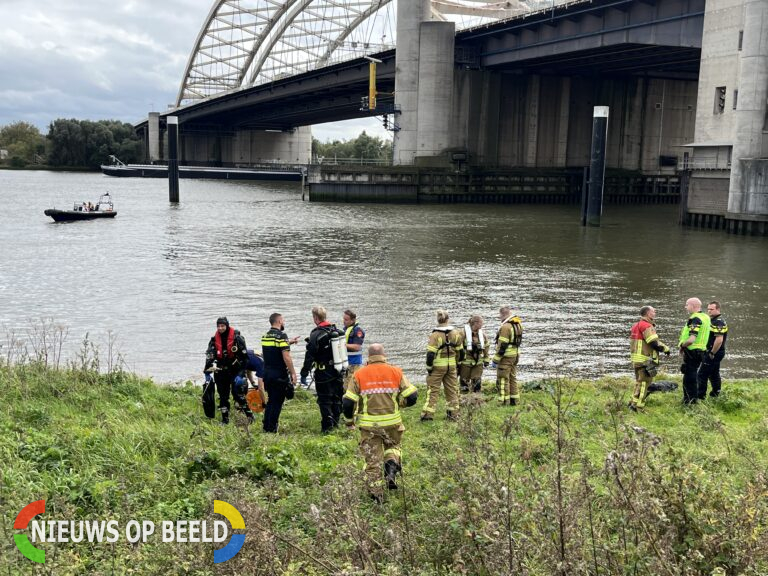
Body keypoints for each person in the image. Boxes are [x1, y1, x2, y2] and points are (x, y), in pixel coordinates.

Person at [342, 343, 418, 502]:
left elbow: (348, 402)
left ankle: (377, 496)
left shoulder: (359, 374)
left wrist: (349, 422)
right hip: (393, 423)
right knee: (393, 447)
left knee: (373, 461)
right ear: (384, 356)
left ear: (368, 358)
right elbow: (412, 396)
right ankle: (390, 468)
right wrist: (401, 404)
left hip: (369, 426)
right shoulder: (396, 371)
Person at [301, 306, 345, 433]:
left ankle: (327, 427)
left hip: (323, 372)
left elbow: (310, 355)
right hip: (337, 370)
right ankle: (336, 423)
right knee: (337, 397)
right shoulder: (335, 330)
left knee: (324, 399)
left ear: (315, 318)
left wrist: (304, 373)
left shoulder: (316, 333)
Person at [203, 317, 254, 425]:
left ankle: (250, 416)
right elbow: (209, 357)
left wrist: (241, 374)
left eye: (222, 326)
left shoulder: (237, 338)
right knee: (223, 397)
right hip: (220, 371)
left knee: (238, 395)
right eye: (218, 326)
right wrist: (207, 372)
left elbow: (245, 359)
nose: (220, 328)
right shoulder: (213, 340)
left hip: (235, 370)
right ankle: (225, 420)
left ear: (227, 326)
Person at [421, 310, 465, 422]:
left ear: (438, 320)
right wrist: (458, 363)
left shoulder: (435, 335)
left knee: (433, 390)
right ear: (448, 319)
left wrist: (429, 368)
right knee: (452, 390)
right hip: (451, 366)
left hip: (438, 367)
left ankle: (427, 415)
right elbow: (461, 352)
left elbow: (430, 354)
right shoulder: (455, 333)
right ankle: (453, 414)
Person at [261, 313, 299, 433]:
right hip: (279, 374)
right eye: (283, 320)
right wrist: (293, 373)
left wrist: (289, 342)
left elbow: (274, 348)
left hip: (267, 374)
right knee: (277, 402)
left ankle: (266, 426)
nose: (284, 322)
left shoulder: (265, 336)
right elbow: (286, 357)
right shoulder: (281, 336)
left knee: (271, 400)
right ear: (279, 321)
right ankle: (272, 428)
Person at [629, 306, 671, 411]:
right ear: (648, 313)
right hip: (645, 360)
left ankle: (633, 403)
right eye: (653, 311)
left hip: (637, 359)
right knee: (644, 383)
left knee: (639, 382)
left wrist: (663, 346)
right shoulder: (647, 326)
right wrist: (665, 349)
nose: (655, 312)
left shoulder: (636, 325)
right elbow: (653, 342)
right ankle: (638, 407)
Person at [678, 297, 711, 405]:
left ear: (693, 306)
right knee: (694, 374)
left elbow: (692, 339)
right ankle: (693, 398)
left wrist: (683, 345)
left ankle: (690, 400)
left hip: (692, 351)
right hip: (701, 350)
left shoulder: (695, 319)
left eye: (687, 305)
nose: (685, 307)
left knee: (689, 376)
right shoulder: (706, 317)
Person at [493, 306, 524, 406]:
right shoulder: (518, 323)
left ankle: (503, 402)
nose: (499, 318)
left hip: (506, 357)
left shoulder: (506, 327)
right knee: (512, 378)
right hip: (515, 355)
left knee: (502, 379)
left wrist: (496, 359)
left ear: (503, 314)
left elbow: (502, 345)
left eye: (500, 315)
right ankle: (514, 400)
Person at [697, 300, 728, 398]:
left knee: (702, 374)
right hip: (715, 351)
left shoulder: (718, 322)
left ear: (718, 309)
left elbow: (719, 340)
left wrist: (712, 353)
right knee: (714, 373)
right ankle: (715, 394)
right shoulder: (713, 320)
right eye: (708, 309)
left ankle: (700, 396)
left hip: (715, 351)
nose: (709, 311)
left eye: (712, 309)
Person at [342, 309, 366, 428]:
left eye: (346, 319)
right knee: (349, 389)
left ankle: (354, 414)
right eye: (344, 319)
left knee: (350, 390)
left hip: (354, 365)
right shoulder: (345, 330)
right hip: (346, 365)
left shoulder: (358, 331)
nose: (344, 321)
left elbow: (357, 346)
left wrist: (342, 345)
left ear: (353, 320)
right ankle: (356, 412)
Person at [459, 315, 490, 393]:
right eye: (481, 323)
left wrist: (486, 359)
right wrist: (457, 361)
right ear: (475, 323)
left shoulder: (482, 334)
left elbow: (486, 346)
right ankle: (464, 399)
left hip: (478, 362)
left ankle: (476, 399)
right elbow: (457, 347)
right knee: (464, 382)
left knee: (477, 382)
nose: (482, 325)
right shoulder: (463, 333)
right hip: (465, 362)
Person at [244, 348, 266, 414]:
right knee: (242, 384)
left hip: (245, 355)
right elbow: (261, 388)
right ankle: (242, 407)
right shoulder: (263, 365)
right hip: (237, 360)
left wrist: (252, 383)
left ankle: (241, 403)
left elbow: (248, 368)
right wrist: (264, 404)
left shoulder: (262, 357)